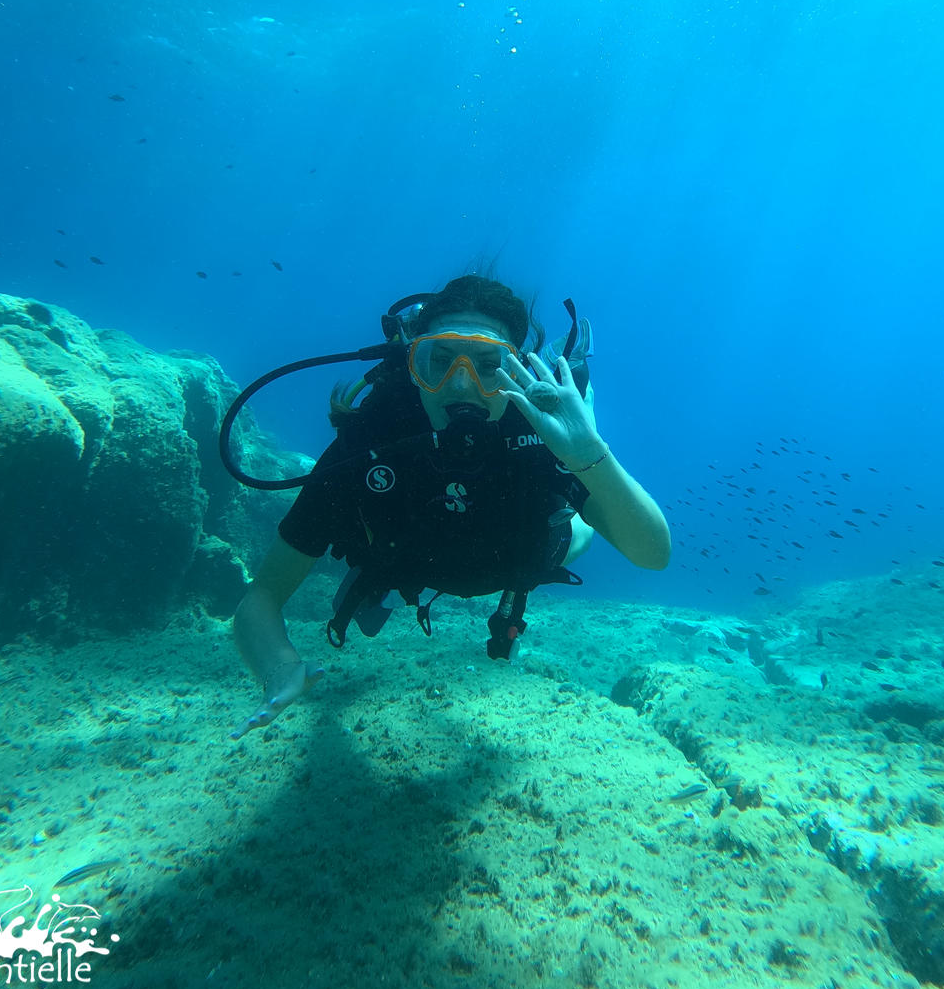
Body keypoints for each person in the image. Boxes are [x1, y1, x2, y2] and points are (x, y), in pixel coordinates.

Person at [230, 273, 670, 739]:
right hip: (407, 563)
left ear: (516, 369)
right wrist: (279, 669)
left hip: (526, 557)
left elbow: (653, 554)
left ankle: (579, 402)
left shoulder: (542, 433)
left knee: (580, 528)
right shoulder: (371, 439)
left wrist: (590, 456)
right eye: (439, 361)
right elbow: (262, 597)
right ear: (411, 364)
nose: (461, 384)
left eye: (489, 365)